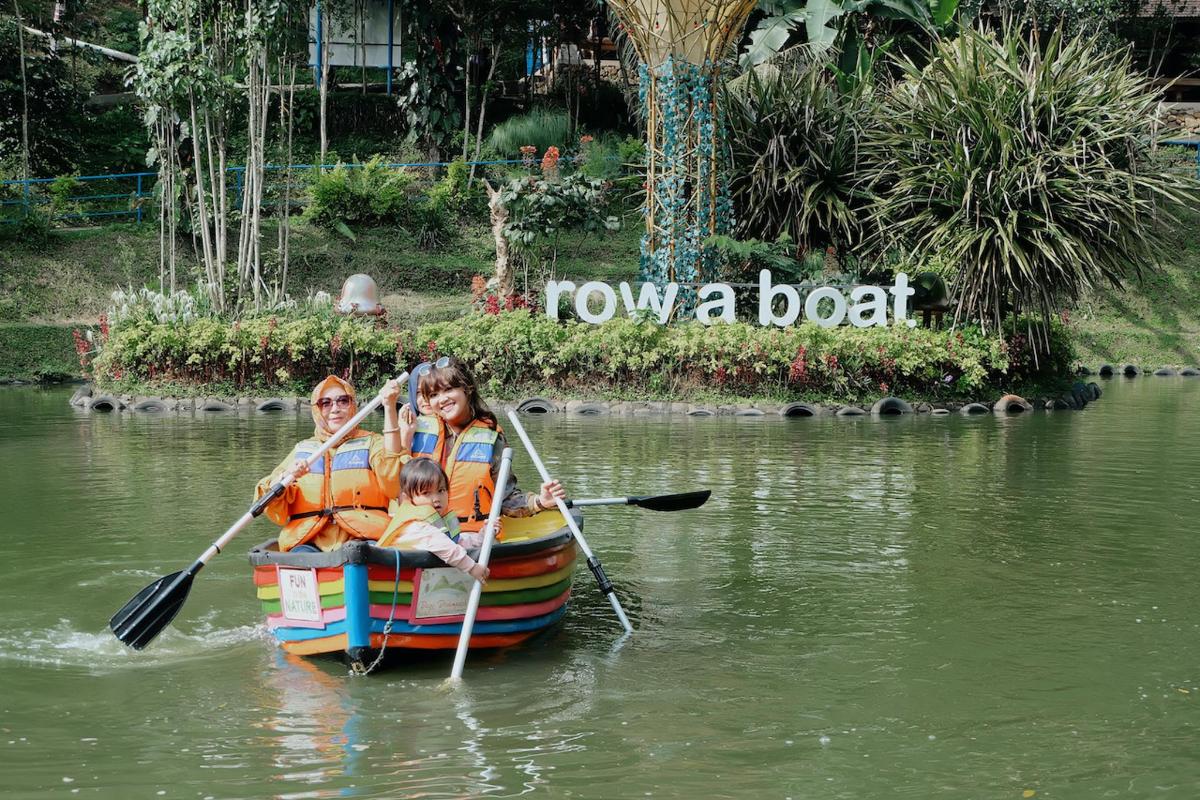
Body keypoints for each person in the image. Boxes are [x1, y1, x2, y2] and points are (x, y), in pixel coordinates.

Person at [399, 357, 565, 534]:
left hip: (471, 535)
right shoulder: (417, 429)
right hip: (420, 534)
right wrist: (403, 438)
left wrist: (540, 501)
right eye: (433, 395)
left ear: (466, 388)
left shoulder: (492, 438)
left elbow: (505, 498)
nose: (442, 399)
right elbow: (396, 486)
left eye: (448, 389)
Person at [256, 374, 405, 552]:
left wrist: (389, 406)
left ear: (352, 405)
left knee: (360, 552)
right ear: (317, 410)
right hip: (310, 540)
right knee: (300, 555)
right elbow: (271, 502)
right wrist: (287, 475)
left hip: (364, 538)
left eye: (343, 401)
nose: (335, 408)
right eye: (325, 403)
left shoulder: (373, 443)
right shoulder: (302, 450)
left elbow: (394, 483)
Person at [377, 458, 489, 582]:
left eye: (441, 491)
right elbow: (446, 548)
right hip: (398, 578)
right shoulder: (416, 525)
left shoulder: (437, 520)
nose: (436, 498)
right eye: (426, 493)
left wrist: (484, 536)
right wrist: (472, 567)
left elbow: (458, 542)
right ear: (408, 498)